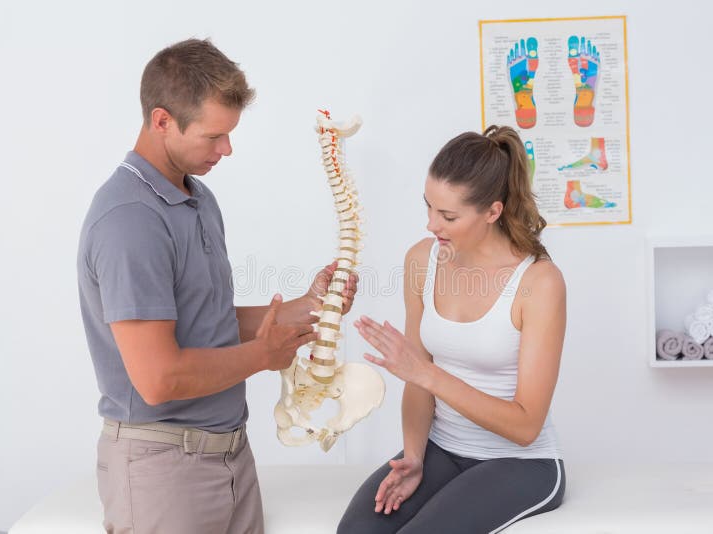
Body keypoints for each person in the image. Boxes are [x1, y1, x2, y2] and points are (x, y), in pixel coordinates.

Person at [77, 38, 357, 534]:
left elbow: (207, 324)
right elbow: (158, 378)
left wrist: (306, 307)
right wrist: (262, 356)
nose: (226, 150)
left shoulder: (197, 198)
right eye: (213, 136)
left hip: (230, 460)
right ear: (162, 121)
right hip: (164, 470)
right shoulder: (130, 220)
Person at [338, 125, 566, 533]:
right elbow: (418, 381)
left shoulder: (538, 283)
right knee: (357, 531)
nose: (431, 225)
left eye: (447, 216)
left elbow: (526, 425)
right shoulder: (422, 261)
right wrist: (414, 455)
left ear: (492, 212)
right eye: (428, 207)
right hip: (442, 450)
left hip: (520, 463)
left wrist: (425, 373)